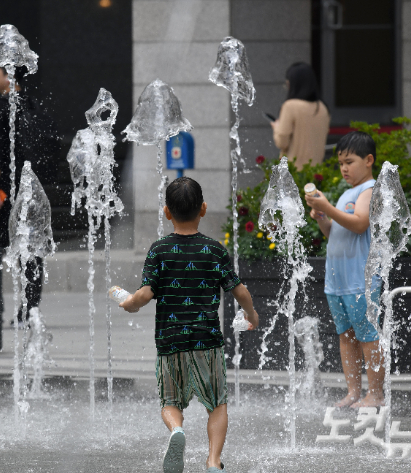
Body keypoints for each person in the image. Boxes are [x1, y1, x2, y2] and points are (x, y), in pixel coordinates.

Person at [119, 177, 259, 473]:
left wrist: (130, 304)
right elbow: (239, 290)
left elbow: (144, 294)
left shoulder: (159, 250)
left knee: (171, 401)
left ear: (167, 212)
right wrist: (250, 314)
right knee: (217, 403)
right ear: (204, 209)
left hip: (170, 343)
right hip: (207, 341)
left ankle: (176, 431)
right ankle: (212, 461)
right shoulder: (214, 250)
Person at [305, 131, 384, 409]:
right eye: (340, 163)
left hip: (359, 280)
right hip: (338, 281)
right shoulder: (347, 194)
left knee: (368, 337)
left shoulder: (370, 189)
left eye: (350, 162)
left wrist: (328, 206)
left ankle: (375, 394)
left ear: (369, 160)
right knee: (346, 335)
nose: (344, 168)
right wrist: (323, 216)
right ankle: (353, 392)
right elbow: (333, 233)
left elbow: (360, 223)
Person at [0, 65, 59, 327]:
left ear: (9, 77)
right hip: (33, 185)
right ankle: (30, 308)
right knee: (31, 245)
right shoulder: (33, 106)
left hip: (7, 186)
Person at [271, 62, 330, 169]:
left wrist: (276, 127)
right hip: (316, 172)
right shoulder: (322, 108)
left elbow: (282, 142)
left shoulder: (290, 106)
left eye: (287, 84)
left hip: (293, 173)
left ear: (293, 84)